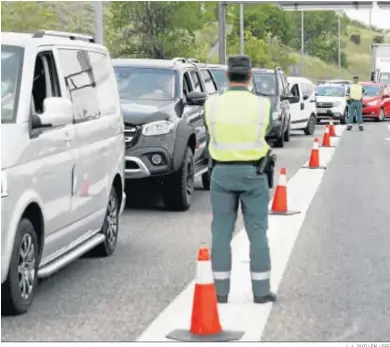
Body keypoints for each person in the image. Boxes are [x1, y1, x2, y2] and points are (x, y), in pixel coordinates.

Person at [204, 55, 276, 304]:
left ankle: (219, 293)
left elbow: (208, 130)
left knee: (221, 232)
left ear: (226, 75)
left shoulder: (211, 104)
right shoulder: (262, 104)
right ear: (250, 76)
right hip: (253, 173)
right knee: (257, 233)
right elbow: (267, 130)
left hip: (221, 174)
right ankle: (261, 292)